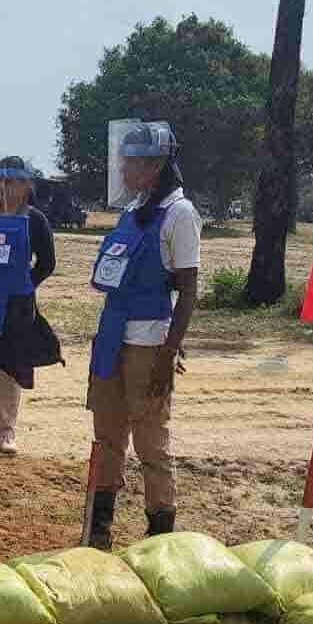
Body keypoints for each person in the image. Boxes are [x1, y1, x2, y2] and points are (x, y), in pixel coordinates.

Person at [84, 121, 201, 550]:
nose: (124, 169)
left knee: (150, 440)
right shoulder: (131, 213)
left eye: (130, 161)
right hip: (111, 337)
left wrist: (169, 355)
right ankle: (98, 532)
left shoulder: (179, 214)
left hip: (149, 344)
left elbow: (188, 290)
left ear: (154, 166)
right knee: (107, 435)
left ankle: (160, 537)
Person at [0, 156, 60, 455]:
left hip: (16, 306)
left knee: (8, 368)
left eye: (15, 181)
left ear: (27, 184)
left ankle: (7, 431)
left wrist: (25, 286)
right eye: (3, 181)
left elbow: (47, 262)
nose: (8, 187)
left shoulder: (35, 220)